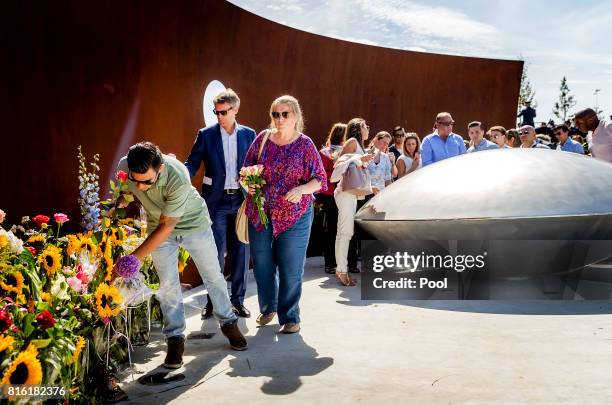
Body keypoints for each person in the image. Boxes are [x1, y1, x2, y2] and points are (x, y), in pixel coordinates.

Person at [117, 142, 247, 370]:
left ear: (160, 169)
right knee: (167, 284)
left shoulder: (178, 176)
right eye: (135, 179)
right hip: (159, 228)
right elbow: (128, 188)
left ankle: (228, 323)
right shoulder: (127, 166)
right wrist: (122, 198)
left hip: (191, 224)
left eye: (146, 181)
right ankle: (175, 339)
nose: (140, 185)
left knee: (213, 276)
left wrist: (134, 259)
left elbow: (168, 225)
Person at [243, 95, 326, 334]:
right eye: (275, 114)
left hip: (295, 215)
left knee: (291, 267)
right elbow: (246, 168)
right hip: (261, 212)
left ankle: (290, 316)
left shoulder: (305, 144)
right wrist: (248, 183)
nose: (279, 119)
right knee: (262, 265)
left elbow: (319, 179)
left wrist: (302, 189)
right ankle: (269, 307)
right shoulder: (263, 139)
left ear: (296, 117)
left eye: (285, 114)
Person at [184, 88, 255, 319]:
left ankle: (238, 301)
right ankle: (213, 301)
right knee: (214, 253)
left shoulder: (248, 134)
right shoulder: (206, 135)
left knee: (241, 251)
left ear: (235, 110)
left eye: (223, 112)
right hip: (216, 201)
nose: (219, 116)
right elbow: (192, 162)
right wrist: (179, 176)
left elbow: (256, 164)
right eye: (216, 112)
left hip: (242, 200)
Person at [330, 118, 374, 286]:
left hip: (351, 192)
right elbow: (339, 163)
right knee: (344, 232)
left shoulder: (359, 144)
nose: (368, 128)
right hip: (345, 192)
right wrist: (358, 160)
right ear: (357, 128)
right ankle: (341, 270)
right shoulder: (352, 141)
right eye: (365, 125)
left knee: (346, 232)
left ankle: (342, 268)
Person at [318, 123, 346, 274]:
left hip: (347, 193)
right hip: (330, 195)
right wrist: (337, 172)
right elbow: (320, 175)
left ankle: (343, 261)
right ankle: (330, 262)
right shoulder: (324, 153)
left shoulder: (350, 152)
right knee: (332, 228)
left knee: (345, 229)